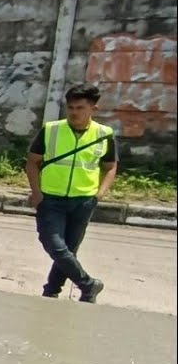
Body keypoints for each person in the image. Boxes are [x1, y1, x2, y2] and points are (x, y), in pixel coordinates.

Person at [25, 83, 116, 303]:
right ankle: (88, 283)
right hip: (51, 199)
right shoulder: (51, 130)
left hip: (83, 201)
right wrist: (37, 194)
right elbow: (32, 163)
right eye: (71, 108)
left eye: (80, 108)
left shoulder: (104, 134)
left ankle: (52, 291)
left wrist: (99, 194)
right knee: (54, 244)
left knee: (69, 250)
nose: (74, 112)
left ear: (93, 108)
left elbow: (110, 166)